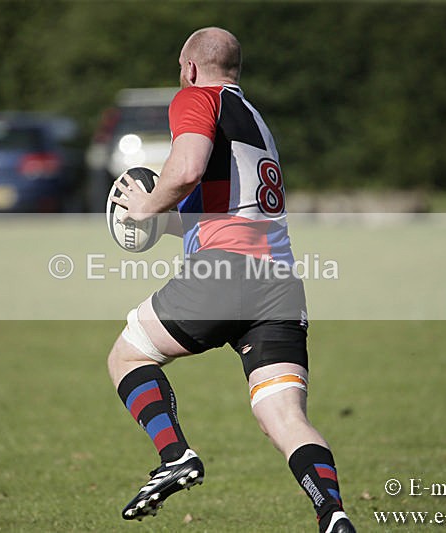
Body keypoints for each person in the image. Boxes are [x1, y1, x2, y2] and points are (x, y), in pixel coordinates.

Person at [107, 27, 356, 533]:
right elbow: (219, 209)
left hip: (226, 273)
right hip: (279, 283)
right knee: (284, 416)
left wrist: (145, 204)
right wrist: (160, 220)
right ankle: (333, 515)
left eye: (182, 69)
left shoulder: (196, 97)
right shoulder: (256, 121)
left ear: (191, 68)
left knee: (128, 355)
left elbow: (185, 171)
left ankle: (174, 455)